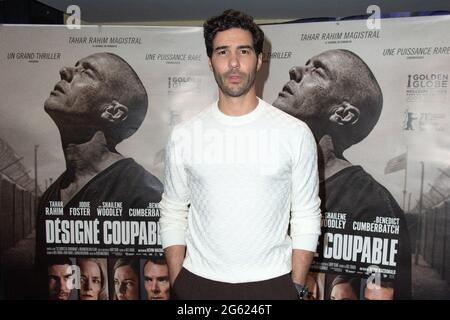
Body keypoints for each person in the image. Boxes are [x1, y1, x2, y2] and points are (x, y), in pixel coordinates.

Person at [159, 9, 321, 300]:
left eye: (243, 51)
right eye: (223, 52)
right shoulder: (185, 135)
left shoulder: (294, 133)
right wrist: (178, 280)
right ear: (210, 61)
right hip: (198, 284)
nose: (233, 62)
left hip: (273, 284)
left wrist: (294, 286)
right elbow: (173, 210)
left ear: (259, 59)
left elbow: (306, 215)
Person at [273, 49, 412, 299]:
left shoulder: (375, 208)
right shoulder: (266, 180)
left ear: (343, 114)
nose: (295, 71)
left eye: (317, 71)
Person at [34, 52, 163, 299]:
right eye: (76, 65)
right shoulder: (50, 197)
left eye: (87, 72)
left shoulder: (147, 197)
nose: (65, 71)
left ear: (113, 112)